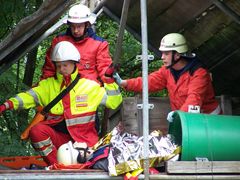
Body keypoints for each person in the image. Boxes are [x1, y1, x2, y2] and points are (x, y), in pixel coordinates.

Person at [0, 41, 122, 166]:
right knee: (36, 131)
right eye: (58, 66)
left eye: (65, 65)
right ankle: (57, 167)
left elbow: (114, 102)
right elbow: (27, 97)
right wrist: (6, 105)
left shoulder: (89, 86)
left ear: (74, 63)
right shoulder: (48, 85)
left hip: (85, 144)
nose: (61, 69)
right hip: (62, 142)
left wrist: (110, 81)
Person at [114, 33, 221, 120]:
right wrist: (124, 83)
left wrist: (178, 115)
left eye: (166, 53)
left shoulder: (198, 73)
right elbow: (149, 82)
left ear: (177, 55)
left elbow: (194, 99)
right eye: (162, 53)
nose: (162, 57)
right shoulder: (167, 71)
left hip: (210, 122)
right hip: (186, 120)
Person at [41, 4, 113, 84]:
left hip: (88, 91)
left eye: (79, 26)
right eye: (72, 26)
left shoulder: (99, 44)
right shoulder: (59, 41)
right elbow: (49, 69)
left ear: (87, 25)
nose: (75, 30)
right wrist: (45, 88)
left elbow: (104, 69)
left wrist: (109, 75)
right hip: (63, 90)